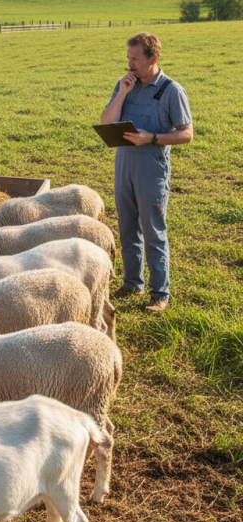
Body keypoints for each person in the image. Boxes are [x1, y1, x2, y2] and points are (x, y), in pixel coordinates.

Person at [101, 32, 193, 312]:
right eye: (128, 58)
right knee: (127, 226)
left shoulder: (171, 91)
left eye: (135, 59)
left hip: (151, 166)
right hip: (124, 164)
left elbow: (186, 134)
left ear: (153, 59)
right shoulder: (125, 85)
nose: (130, 64)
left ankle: (160, 293)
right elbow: (107, 121)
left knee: (153, 230)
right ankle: (132, 283)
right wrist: (124, 92)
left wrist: (151, 137)